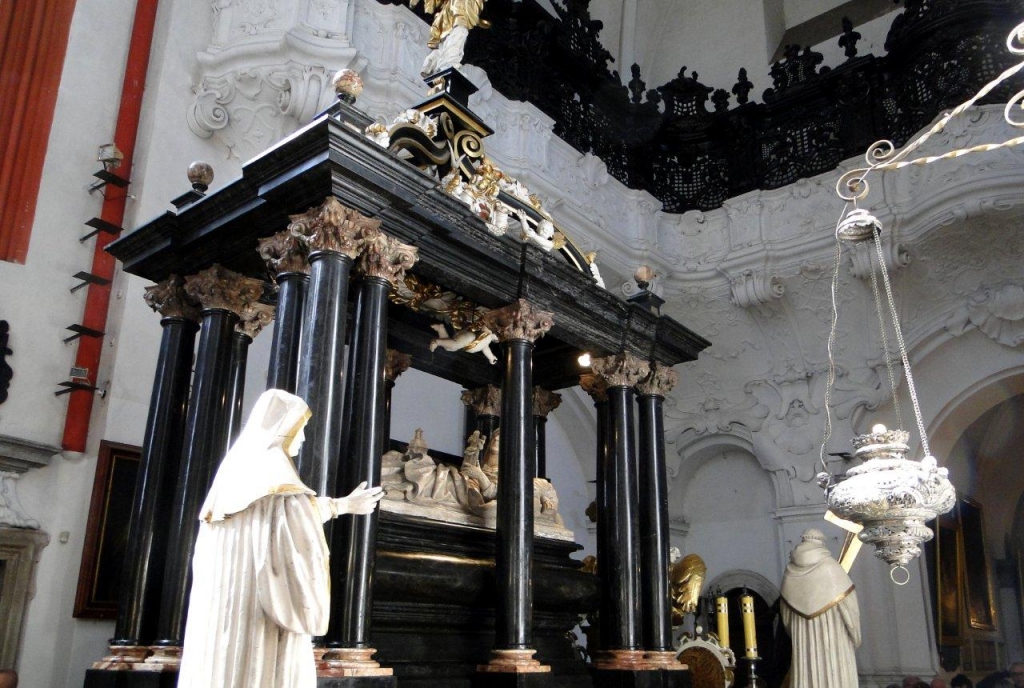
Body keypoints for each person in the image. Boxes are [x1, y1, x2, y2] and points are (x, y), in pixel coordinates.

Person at [178, 390, 385, 688]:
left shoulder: (231, 481)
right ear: (282, 429)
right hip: (260, 616)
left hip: (223, 612)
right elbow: (297, 528)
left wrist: (339, 505)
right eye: (300, 429)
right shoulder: (277, 480)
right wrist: (344, 506)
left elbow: (289, 516)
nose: (302, 438)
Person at [780, 528, 861, 687]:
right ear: (821, 543)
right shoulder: (832, 567)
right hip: (835, 642)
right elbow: (850, 610)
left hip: (803, 641)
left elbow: (786, 619)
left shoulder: (790, 572)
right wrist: (856, 637)